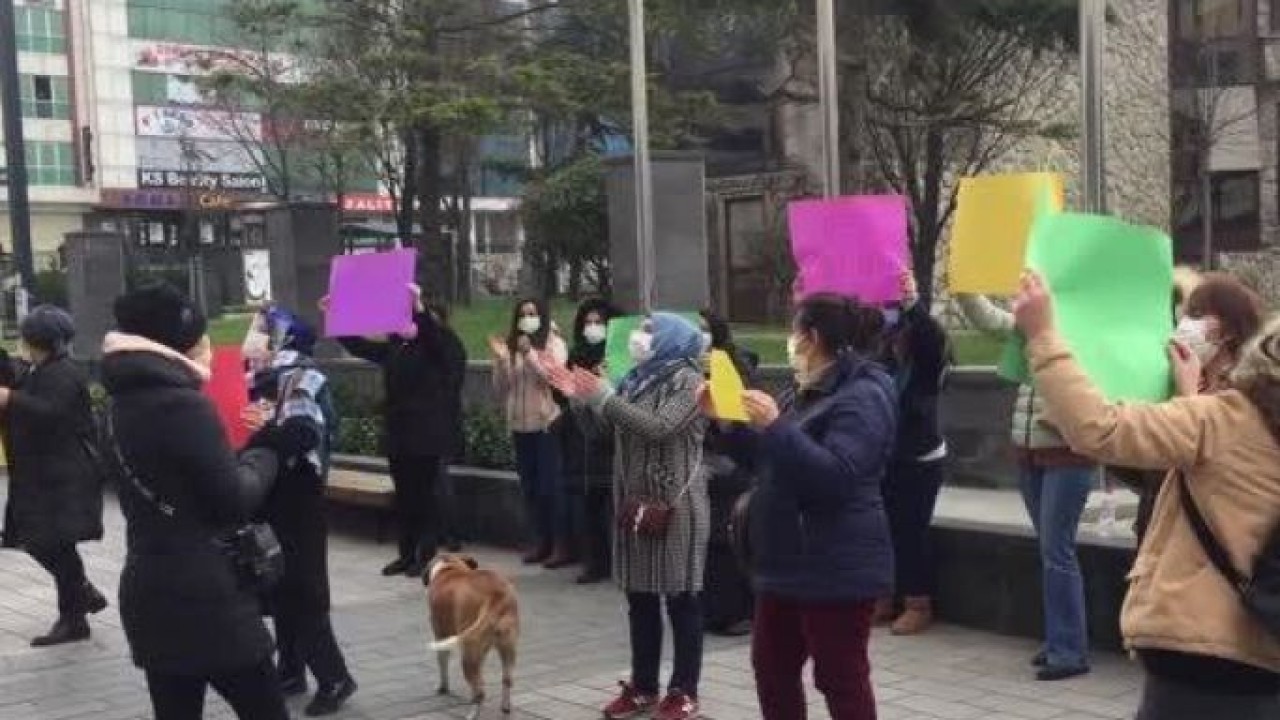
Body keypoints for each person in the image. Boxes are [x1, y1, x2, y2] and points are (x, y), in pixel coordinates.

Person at [1012, 270, 1280, 719]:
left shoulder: (1228, 419)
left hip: (1204, 657)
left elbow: (1100, 428)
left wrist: (1042, 335)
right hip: (1263, 655)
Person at [101, 283, 290, 719]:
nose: (209, 346)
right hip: (209, 596)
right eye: (201, 337)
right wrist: (265, 452)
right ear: (180, 342)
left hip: (149, 588)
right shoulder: (184, 406)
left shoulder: (115, 404)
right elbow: (233, 499)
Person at [707, 293, 896, 720]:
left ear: (813, 337)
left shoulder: (864, 394)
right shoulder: (805, 387)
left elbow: (837, 477)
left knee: (840, 677)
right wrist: (728, 422)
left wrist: (776, 427)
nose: (790, 341)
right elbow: (768, 459)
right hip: (785, 559)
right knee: (772, 668)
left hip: (835, 563)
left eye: (794, 331)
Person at [550, 313, 709, 720]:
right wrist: (580, 398)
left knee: (682, 599)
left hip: (676, 506)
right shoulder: (637, 379)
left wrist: (604, 396)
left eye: (650, 330)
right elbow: (606, 431)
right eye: (642, 328)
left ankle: (684, 691)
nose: (640, 336)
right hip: (635, 503)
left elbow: (659, 427)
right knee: (640, 597)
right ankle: (643, 687)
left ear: (673, 339)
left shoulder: (690, 381)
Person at [956, 291, 1095, 680]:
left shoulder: (1085, 332)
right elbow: (990, 320)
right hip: (1030, 453)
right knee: (1050, 549)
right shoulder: (1032, 327)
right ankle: (1059, 640)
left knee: (1057, 550)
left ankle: (1069, 651)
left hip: (1067, 453)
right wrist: (964, 289)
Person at [247, 319, 357, 716]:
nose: (251, 341)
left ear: (283, 341)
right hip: (279, 503)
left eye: (261, 333)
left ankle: (335, 678)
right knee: (280, 590)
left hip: (298, 505)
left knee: (302, 593)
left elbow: (303, 434)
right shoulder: (265, 380)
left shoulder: (298, 378)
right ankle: (291, 670)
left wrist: (259, 437)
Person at [334, 285, 468, 578]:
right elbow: (360, 346)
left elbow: (437, 343)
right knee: (405, 496)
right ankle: (406, 554)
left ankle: (425, 555)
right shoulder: (398, 347)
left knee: (426, 497)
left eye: (421, 316)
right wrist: (337, 314)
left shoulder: (443, 346)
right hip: (400, 432)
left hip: (428, 434)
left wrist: (420, 310)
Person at [0, 306, 107, 647]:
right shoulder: (38, 369)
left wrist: (10, 399)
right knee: (40, 540)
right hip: (42, 474)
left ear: (37, 340)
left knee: (51, 542)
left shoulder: (62, 373)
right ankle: (80, 598)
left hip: (63, 475)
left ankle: (74, 616)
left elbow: (51, 412)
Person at [877, 273, 951, 636]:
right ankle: (884, 597)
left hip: (920, 457)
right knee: (882, 527)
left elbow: (930, 337)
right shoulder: (884, 363)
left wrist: (912, 303)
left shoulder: (924, 365)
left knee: (911, 530)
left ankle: (917, 603)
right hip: (887, 456)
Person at [490, 298, 570, 567]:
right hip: (519, 425)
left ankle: (560, 544)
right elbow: (501, 389)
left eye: (533, 314)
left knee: (550, 487)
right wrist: (501, 361)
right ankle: (540, 541)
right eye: (523, 315)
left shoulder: (553, 342)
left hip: (545, 423)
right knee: (530, 487)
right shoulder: (513, 344)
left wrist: (531, 354)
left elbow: (553, 377)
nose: (527, 319)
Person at [698, 309, 759, 637]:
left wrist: (717, 377)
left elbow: (741, 412)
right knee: (708, 543)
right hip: (703, 463)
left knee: (727, 541)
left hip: (732, 463)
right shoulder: (688, 366)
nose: (701, 336)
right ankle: (712, 610)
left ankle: (737, 612)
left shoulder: (734, 363)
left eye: (705, 329)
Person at [560, 298, 620, 584]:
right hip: (582, 439)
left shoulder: (618, 355)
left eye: (598, 322)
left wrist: (605, 379)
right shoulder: (576, 355)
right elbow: (562, 392)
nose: (592, 328)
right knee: (589, 506)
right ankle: (594, 562)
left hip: (611, 440)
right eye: (588, 322)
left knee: (614, 506)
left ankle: (618, 562)